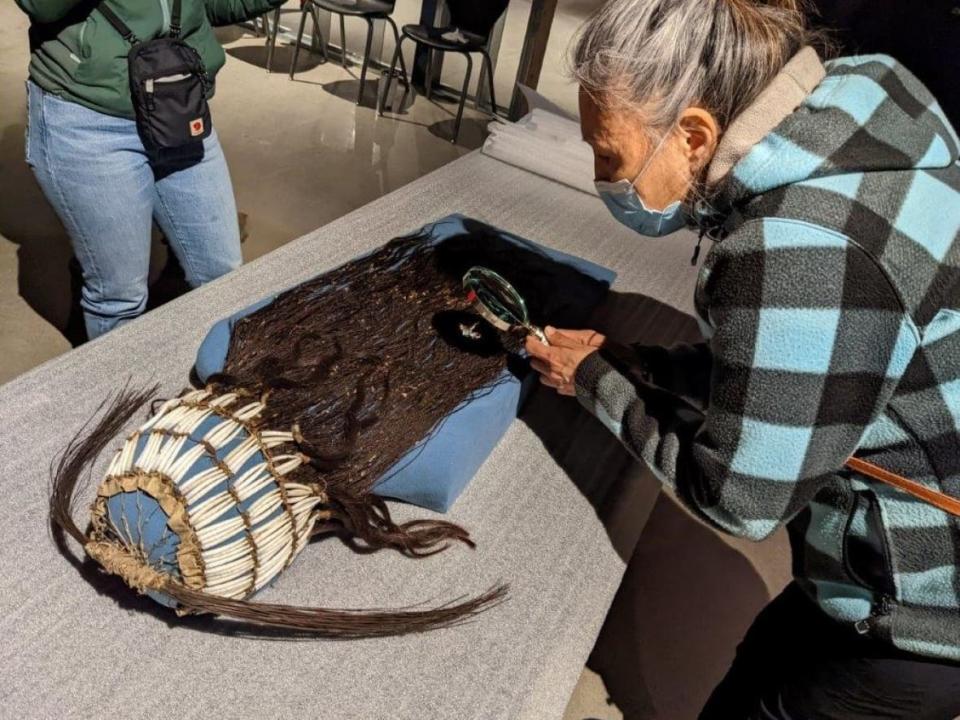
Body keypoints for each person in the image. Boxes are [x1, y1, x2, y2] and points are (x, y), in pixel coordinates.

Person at [526, 0, 960, 717]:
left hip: (918, 608)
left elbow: (739, 497)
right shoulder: (867, 105)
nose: (605, 177)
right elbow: (809, 367)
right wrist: (645, 364)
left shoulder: (795, 249)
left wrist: (595, 380)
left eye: (613, 155)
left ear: (694, 135)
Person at [16, 0, 284, 339]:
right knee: (120, 298)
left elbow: (213, 6)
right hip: (89, 121)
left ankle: (220, 383)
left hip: (177, 106)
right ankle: (122, 388)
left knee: (224, 275)